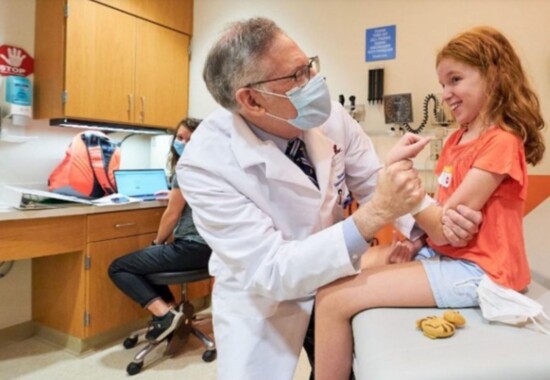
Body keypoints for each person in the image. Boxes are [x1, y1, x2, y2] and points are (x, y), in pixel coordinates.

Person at [177, 17, 481, 380]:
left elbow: (372, 179)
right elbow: (273, 270)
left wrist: (432, 223)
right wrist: (374, 215)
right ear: (252, 99)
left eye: (309, 66)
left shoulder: (327, 116)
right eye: (296, 76)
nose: (314, 82)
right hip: (267, 303)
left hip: (333, 276)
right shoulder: (205, 165)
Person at [314, 26, 546, 380]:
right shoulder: (455, 140)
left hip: (486, 272)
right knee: (342, 265)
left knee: (332, 300)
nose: (445, 94)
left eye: (455, 79)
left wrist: (404, 188)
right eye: (442, 84)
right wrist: (418, 239)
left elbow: (445, 225)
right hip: (449, 255)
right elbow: (440, 217)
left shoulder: (501, 141)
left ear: (494, 77)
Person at [108, 118, 211, 343]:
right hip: (211, 251)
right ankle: (174, 313)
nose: (183, 143)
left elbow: (172, 215)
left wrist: (157, 241)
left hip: (192, 248)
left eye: (190, 139)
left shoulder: (186, 169)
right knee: (148, 262)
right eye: (180, 138)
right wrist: (174, 194)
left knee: (119, 267)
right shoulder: (213, 167)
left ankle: (164, 316)